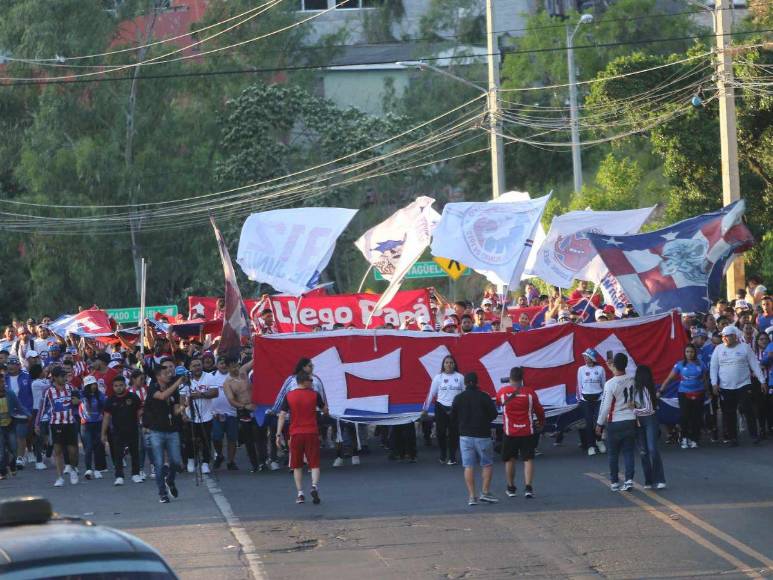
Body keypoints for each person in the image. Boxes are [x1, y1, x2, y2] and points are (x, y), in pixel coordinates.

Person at [276, 372, 328, 504]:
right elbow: (325, 410)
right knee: (314, 463)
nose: (312, 382)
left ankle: (300, 493)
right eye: (310, 380)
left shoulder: (289, 395)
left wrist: (278, 434)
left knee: (297, 465)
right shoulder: (314, 395)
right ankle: (314, 486)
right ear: (304, 381)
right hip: (311, 432)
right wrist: (324, 410)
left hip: (295, 433)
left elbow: (282, 415)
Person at [710, 325, 766, 446]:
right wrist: (714, 383)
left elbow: (754, 364)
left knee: (748, 410)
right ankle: (732, 438)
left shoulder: (745, 347)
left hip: (743, 384)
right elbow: (713, 367)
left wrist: (762, 381)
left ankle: (754, 435)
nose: (724, 338)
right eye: (723, 336)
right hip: (725, 387)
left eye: (727, 336)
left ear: (735, 336)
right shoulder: (718, 349)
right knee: (729, 413)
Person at [450, 372, 499, 506]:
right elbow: (494, 414)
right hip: (483, 434)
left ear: (465, 383)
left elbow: (452, 417)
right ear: (477, 382)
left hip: (465, 435)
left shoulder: (458, 398)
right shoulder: (484, 396)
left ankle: (472, 496)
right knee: (487, 464)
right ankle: (485, 492)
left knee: (468, 466)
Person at [496, 366, 544, 498]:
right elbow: (539, 410)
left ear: (510, 378)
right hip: (527, 431)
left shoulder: (503, 392)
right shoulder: (530, 393)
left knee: (510, 460)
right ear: (522, 378)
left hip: (510, 432)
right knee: (528, 459)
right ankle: (528, 488)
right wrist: (541, 422)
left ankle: (511, 488)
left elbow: (497, 403)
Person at [143, 359, 185, 503]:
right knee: (159, 464)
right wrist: (177, 383)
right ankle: (162, 493)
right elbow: (162, 396)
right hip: (156, 431)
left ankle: (170, 480)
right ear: (158, 376)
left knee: (175, 461)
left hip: (172, 430)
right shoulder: (153, 387)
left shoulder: (173, 389)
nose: (169, 374)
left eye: (169, 372)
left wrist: (184, 406)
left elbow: (176, 409)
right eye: (165, 373)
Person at [596, 353, 637, 492]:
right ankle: (629, 480)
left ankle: (614, 482)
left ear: (614, 365)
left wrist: (599, 424)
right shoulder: (632, 380)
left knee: (613, 453)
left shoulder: (610, 384)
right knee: (628, 452)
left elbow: (605, 406)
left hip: (615, 421)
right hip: (630, 419)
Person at [37, 366, 80, 487]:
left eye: (65, 376)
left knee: (73, 451)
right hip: (56, 424)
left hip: (70, 423)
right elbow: (42, 408)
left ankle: (73, 469)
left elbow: (79, 398)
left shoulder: (71, 388)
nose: (64, 378)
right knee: (58, 451)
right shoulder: (49, 391)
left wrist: (78, 401)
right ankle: (60, 477)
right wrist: (37, 423)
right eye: (62, 376)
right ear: (55, 377)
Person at [660, 344, 709, 449]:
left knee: (696, 417)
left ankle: (695, 439)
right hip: (684, 393)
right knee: (684, 416)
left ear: (695, 353)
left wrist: (708, 392)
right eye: (687, 352)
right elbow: (669, 378)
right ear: (684, 353)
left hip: (699, 393)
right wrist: (661, 389)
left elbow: (704, 379)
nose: (689, 354)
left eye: (691, 352)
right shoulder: (680, 364)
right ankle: (684, 438)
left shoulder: (701, 364)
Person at [422, 355, 464, 465]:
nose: (449, 365)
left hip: (455, 408)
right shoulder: (438, 377)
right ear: (443, 365)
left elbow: (464, 394)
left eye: (451, 362)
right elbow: (431, 393)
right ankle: (443, 454)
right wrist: (425, 408)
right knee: (440, 433)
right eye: (446, 362)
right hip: (441, 407)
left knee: (454, 433)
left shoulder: (460, 377)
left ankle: (452, 457)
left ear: (454, 364)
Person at [179, 357, 218, 475]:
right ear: (190, 368)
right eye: (194, 365)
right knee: (189, 440)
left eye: (199, 365)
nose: (197, 368)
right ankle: (191, 459)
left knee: (206, 440)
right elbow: (182, 398)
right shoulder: (186, 380)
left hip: (206, 416)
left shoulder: (209, 377)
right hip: (191, 416)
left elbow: (215, 392)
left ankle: (205, 463)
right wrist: (183, 413)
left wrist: (200, 394)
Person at [102, 376, 143, 485]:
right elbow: (106, 417)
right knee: (118, 454)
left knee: (135, 452)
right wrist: (103, 433)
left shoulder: (133, 397)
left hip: (133, 429)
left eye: (121, 385)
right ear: (113, 387)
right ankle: (119, 476)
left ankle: (136, 474)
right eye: (116, 386)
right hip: (117, 431)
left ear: (125, 385)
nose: (119, 388)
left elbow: (140, 411)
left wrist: (143, 424)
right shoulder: (110, 400)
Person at [223, 356, 260, 472]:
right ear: (228, 368)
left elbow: (256, 360)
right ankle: (255, 464)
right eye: (232, 367)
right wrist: (244, 406)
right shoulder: (227, 383)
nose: (235, 368)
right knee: (248, 438)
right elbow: (231, 400)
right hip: (244, 411)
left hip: (256, 407)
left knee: (260, 434)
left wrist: (261, 347)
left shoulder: (243, 371)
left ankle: (263, 460)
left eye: (236, 365)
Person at [634, 366, 666, 489]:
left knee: (652, 448)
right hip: (639, 421)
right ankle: (648, 480)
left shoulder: (645, 389)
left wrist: (634, 411)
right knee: (643, 452)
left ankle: (660, 479)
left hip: (649, 419)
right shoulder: (634, 388)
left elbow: (648, 409)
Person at [0, 366, 30, 480]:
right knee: (1, 451)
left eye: (3, 382)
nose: (2, 384)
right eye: (0, 382)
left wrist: (28, 414)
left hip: (10, 425)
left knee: (13, 448)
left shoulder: (10, 393)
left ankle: (12, 466)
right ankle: (2, 472)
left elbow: (19, 406)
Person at [209, 356, 238, 470]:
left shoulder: (234, 376)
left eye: (226, 363)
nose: (224, 365)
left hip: (232, 413)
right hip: (216, 413)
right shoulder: (211, 376)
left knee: (232, 438)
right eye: (221, 363)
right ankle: (219, 455)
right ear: (216, 365)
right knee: (216, 437)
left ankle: (231, 461)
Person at [576, 349, 607, 456]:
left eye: (587, 356)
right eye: (584, 356)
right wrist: (579, 398)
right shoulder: (581, 369)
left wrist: (604, 398)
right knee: (589, 423)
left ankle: (599, 441)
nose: (585, 358)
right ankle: (591, 445)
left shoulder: (600, 369)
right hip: (585, 400)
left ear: (592, 358)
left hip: (598, 399)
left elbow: (604, 384)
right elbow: (579, 385)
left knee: (599, 421)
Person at [6, 355, 33, 470]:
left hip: (23, 411)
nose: (11, 366)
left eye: (13, 364)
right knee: (9, 437)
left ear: (18, 365)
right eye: (9, 364)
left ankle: (20, 458)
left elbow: (32, 394)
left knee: (20, 435)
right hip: (7, 412)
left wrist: (30, 410)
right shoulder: (4, 378)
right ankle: (11, 457)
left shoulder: (27, 376)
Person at [79, 375, 106, 480]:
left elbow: (106, 407)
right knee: (88, 447)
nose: (94, 386)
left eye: (95, 384)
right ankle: (88, 469)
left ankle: (98, 470)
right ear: (86, 386)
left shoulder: (100, 395)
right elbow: (75, 402)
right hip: (86, 424)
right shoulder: (82, 395)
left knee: (98, 447)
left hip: (98, 423)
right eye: (91, 384)